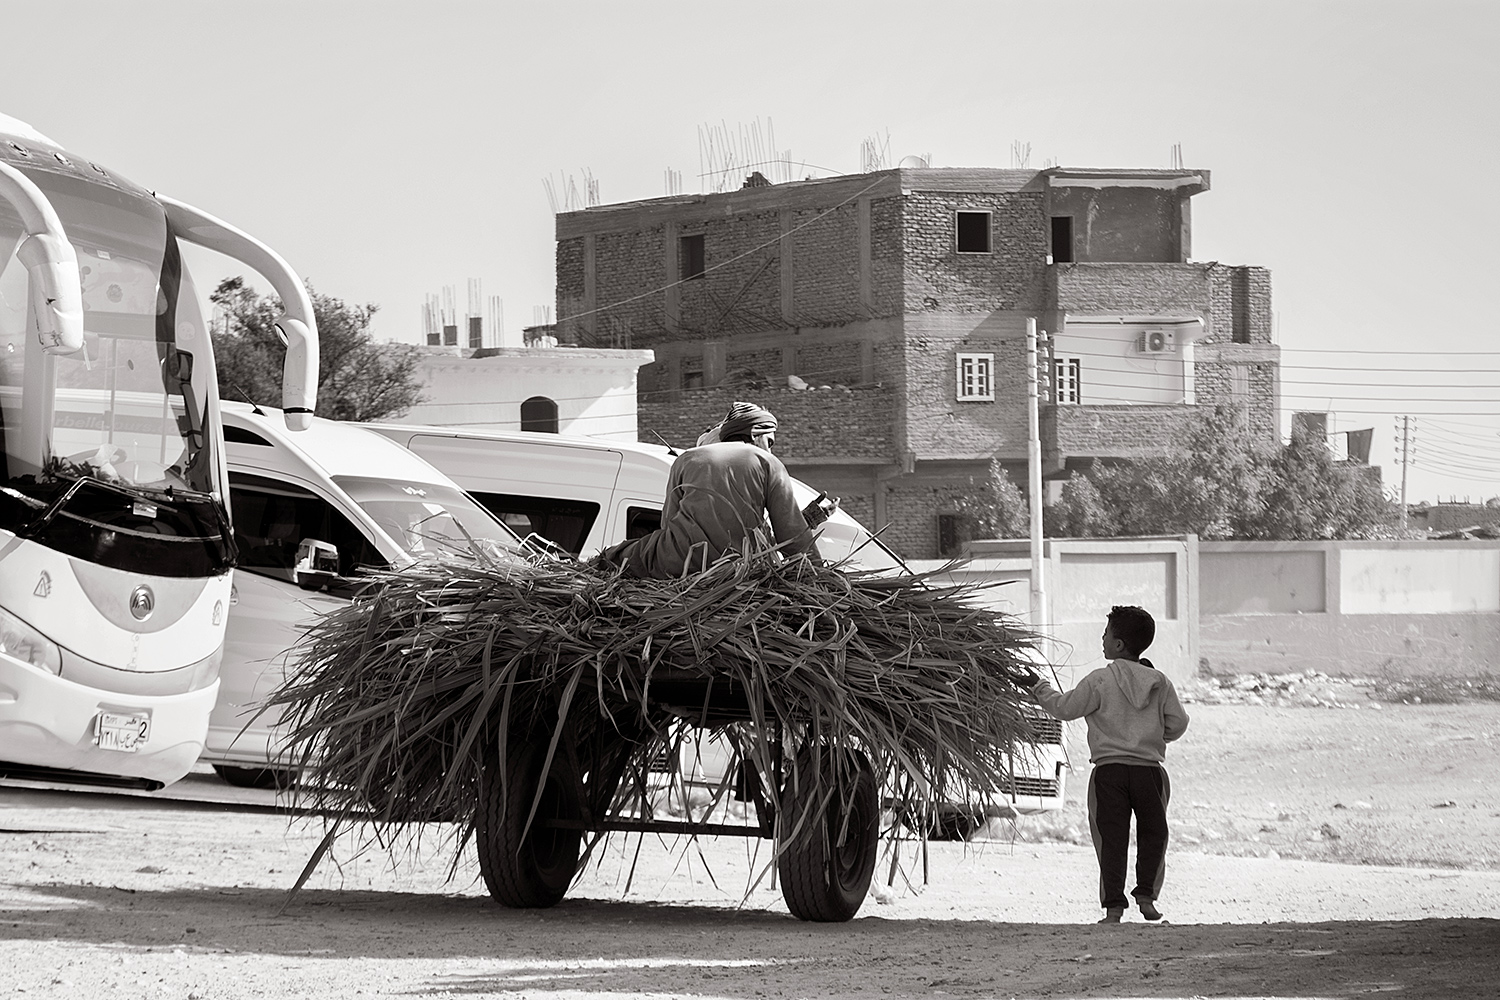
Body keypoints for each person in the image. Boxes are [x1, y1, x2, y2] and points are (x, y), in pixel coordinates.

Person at [1015, 605, 1189, 924]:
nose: (1102, 638)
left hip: (1109, 773)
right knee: (1154, 834)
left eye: (1106, 633)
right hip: (1150, 772)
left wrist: (1038, 687)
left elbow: (1064, 708)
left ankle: (1113, 908)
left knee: (1111, 839)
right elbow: (1178, 724)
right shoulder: (1159, 682)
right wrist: (1149, 731)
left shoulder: (1099, 681)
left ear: (1118, 645)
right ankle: (1147, 897)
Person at [594, 402, 820, 579]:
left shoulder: (687, 458)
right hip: (739, 567)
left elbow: (668, 523)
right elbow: (791, 536)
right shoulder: (767, 462)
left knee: (616, 556)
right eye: (770, 441)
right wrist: (821, 574)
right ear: (755, 435)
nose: (770, 448)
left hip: (678, 562)